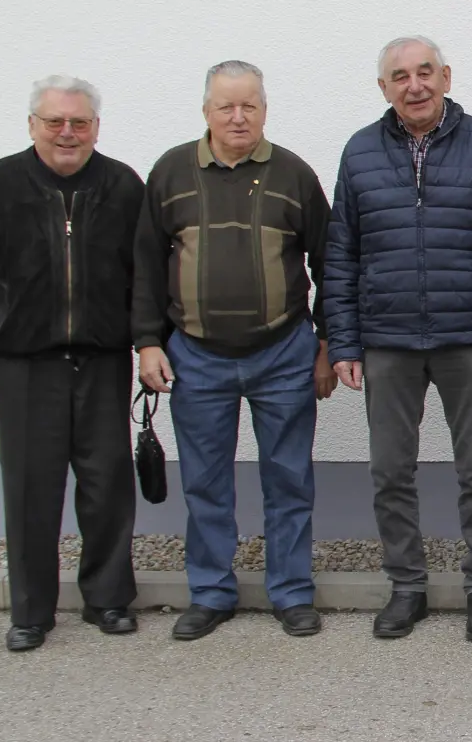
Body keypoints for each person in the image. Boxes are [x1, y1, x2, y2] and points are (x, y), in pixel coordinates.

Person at [325, 36, 472, 642]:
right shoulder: (360, 151)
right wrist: (344, 343)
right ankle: (406, 587)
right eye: (400, 76)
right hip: (387, 340)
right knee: (390, 471)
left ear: (445, 76)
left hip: (469, 338)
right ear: (383, 87)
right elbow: (341, 254)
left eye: (424, 72)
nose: (414, 86)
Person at [0, 75, 145, 651]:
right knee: (30, 489)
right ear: (33, 125)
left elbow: (148, 277)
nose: (67, 133)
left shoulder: (123, 187)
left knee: (107, 486)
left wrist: (151, 343)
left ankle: (107, 599)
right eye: (55, 121)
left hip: (103, 361)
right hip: (23, 365)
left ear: (96, 127)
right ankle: (30, 612)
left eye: (79, 122)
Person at [133, 61, 334, 641]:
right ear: (206, 111)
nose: (238, 117)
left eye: (250, 106)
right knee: (205, 483)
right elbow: (145, 265)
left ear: (265, 111)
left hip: (284, 351)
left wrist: (326, 343)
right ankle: (211, 592)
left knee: (289, 479)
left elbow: (331, 263)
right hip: (196, 356)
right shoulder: (171, 172)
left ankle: (291, 592)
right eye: (226, 106)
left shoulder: (293, 174)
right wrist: (147, 342)